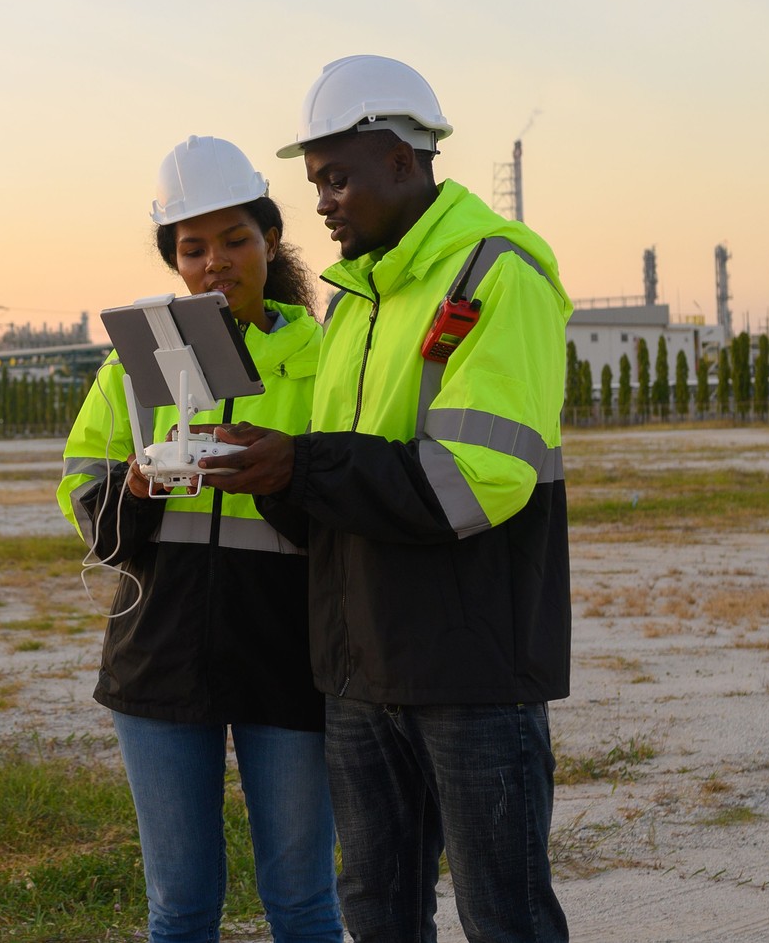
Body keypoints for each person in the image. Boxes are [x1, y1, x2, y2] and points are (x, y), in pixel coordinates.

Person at [210, 56, 572, 943]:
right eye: (315, 183)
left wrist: (302, 467)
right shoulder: (354, 302)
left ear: (402, 160)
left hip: (470, 670)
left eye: (337, 178)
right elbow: (337, 488)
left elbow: (473, 479)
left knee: (506, 917)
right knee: (378, 912)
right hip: (360, 670)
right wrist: (271, 475)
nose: (323, 203)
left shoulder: (495, 272)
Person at [58, 136, 342, 943]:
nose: (214, 261)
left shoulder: (326, 361)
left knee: (304, 903)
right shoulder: (132, 366)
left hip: (290, 661)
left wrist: (280, 479)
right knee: (180, 910)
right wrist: (137, 489)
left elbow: (350, 512)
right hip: (159, 661)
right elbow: (88, 502)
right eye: (193, 247)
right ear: (174, 261)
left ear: (271, 240)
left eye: (234, 239)